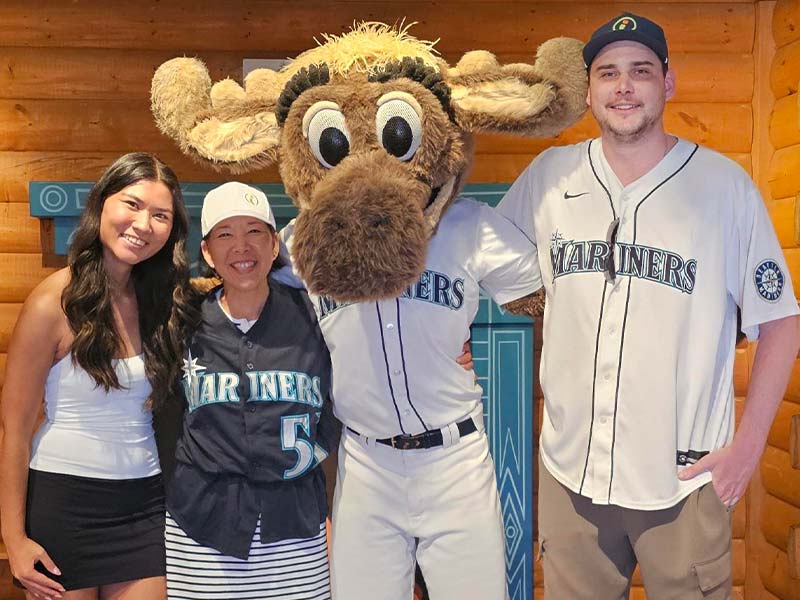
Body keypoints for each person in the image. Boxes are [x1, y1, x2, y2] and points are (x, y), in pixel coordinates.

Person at [497, 12, 800, 600]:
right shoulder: (550, 177)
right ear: (589, 91)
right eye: (608, 73)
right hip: (571, 474)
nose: (624, 86)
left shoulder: (723, 188)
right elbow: (479, 259)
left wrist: (749, 447)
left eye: (641, 70)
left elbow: (781, 321)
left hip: (681, 480)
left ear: (669, 82)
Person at [278, 191, 542, 600]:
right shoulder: (303, 236)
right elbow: (249, 284)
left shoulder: (463, 222)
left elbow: (544, 286)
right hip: (368, 462)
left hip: (455, 459)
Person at [0, 152, 196, 600]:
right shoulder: (53, 301)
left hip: (145, 504)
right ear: (102, 204)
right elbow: (13, 428)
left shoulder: (163, 302)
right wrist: (13, 538)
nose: (143, 224)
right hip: (65, 505)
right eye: (132, 204)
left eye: (160, 215)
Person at [163, 182, 337, 600]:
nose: (241, 247)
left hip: (294, 526)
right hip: (203, 527)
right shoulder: (182, 321)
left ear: (275, 244)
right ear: (206, 252)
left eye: (255, 231)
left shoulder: (317, 319)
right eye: (225, 234)